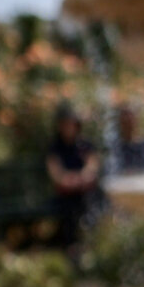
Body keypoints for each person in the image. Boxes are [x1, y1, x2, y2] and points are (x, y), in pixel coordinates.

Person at [46, 104, 99, 250]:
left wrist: (80, 178)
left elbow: (92, 167)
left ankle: (90, 245)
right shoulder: (54, 148)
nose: (68, 127)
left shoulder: (85, 145)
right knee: (68, 210)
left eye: (71, 124)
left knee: (91, 205)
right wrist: (72, 180)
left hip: (85, 192)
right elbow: (57, 175)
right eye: (65, 124)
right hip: (65, 196)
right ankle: (71, 247)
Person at [112, 105, 144, 174]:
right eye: (125, 118)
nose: (128, 121)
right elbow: (114, 167)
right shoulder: (116, 146)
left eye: (131, 118)